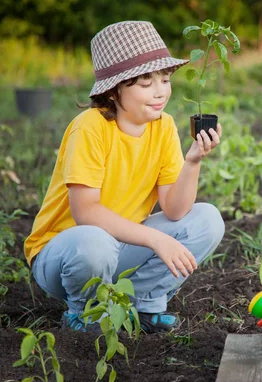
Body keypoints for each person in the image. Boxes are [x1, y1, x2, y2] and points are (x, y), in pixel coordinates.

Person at [24, 21, 225, 334]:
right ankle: (85, 313)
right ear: (115, 90)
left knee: (207, 219)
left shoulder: (163, 126)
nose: (160, 91)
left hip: (119, 245)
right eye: (146, 83)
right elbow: (86, 212)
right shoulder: (90, 127)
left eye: (164, 79)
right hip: (66, 253)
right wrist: (157, 239)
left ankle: (141, 306)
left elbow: (174, 210)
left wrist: (193, 161)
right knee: (95, 241)